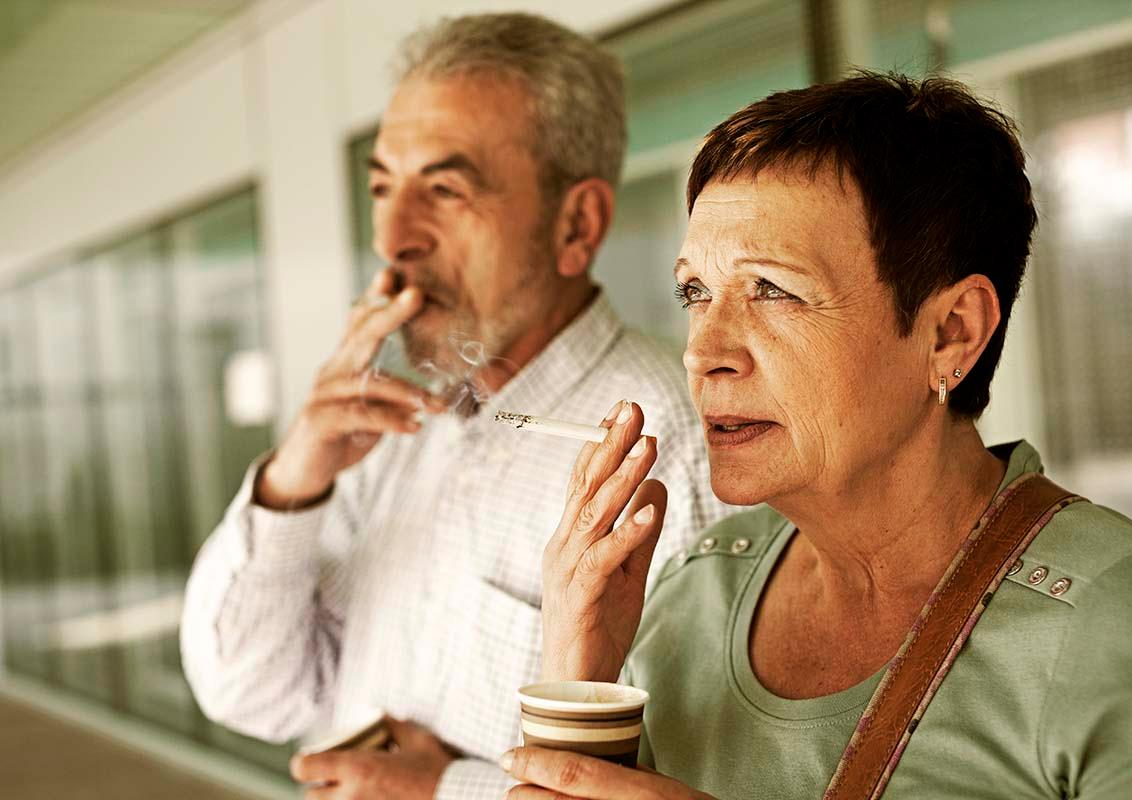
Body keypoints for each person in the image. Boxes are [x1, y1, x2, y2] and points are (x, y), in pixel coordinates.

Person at [501, 72, 1132, 799]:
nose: (703, 351)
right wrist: (574, 682)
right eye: (695, 292)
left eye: (772, 290)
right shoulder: (695, 592)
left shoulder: (1131, 620)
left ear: (950, 334)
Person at [180, 13, 731, 799]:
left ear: (576, 226)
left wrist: (447, 789)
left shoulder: (671, 443)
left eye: (444, 188)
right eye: (381, 187)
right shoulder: (399, 430)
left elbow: (709, 772)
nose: (393, 238)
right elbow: (249, 690)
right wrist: (294, 482)